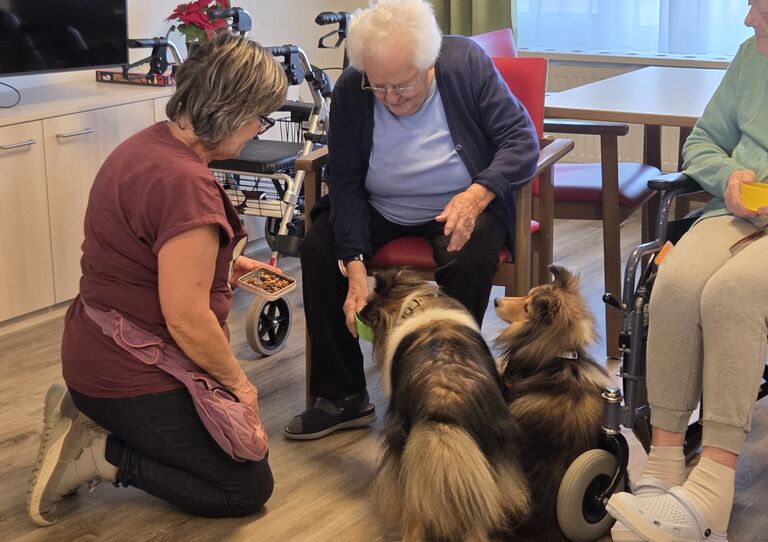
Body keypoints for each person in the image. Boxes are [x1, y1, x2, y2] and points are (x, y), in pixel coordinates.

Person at [27, 32, 288, 526]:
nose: (259, 130)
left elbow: (144, 253)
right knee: (245, 488)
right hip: (129, 372)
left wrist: (224, 264)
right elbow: (187, 319)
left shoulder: (147, 146)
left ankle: (91, 415)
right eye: (260, 118)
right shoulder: (185, 185)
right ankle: (101, 454)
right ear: (232, 112)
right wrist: (239, 384)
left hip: (94, 347)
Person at [284, 0, 539, 440]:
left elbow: (521, 141)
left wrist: (478, 194)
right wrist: (355, 264)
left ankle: (456, 387)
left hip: (458, 202)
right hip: (379, 206)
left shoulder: (465, 66)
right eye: (378, 87)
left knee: (471, 251)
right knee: (320, 248)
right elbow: (343, 179)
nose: (390, 97)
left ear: (428, 63)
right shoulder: (351, 88)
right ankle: (343, 396)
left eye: (401, 85)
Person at [606, 2, 768, 541]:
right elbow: (700, 141)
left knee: (732, 293)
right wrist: (727, 179)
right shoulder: (752, 57)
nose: (748, 21)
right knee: (672, 284)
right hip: (738, 213)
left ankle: (712, 494)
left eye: (762, 11)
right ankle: (663, 469)